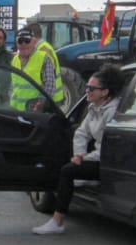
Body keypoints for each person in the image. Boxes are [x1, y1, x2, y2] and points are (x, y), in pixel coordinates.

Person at [32, 65, 124, 235]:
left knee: (67, 171)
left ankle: (57, 221)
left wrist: (85, 159)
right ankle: (81, 182)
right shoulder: (94, 108)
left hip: (108, 162)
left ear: (104, 92)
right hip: (96, 157)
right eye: (87, 87)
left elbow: (107, 148)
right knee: (60, 154)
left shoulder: (112, 113)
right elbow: (81, 133)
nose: (87, 91)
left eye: (91, 88)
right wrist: (79, 154)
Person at [9, 28, 59, 111]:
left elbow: (49, 87)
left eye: (27, 40)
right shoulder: (15, 60)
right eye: (20, 41)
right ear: (17, 43)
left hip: (34, 112)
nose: (23, 44)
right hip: (15, 110)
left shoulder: (43, 58)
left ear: (34, 42)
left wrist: (37, 106)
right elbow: (12, 85)